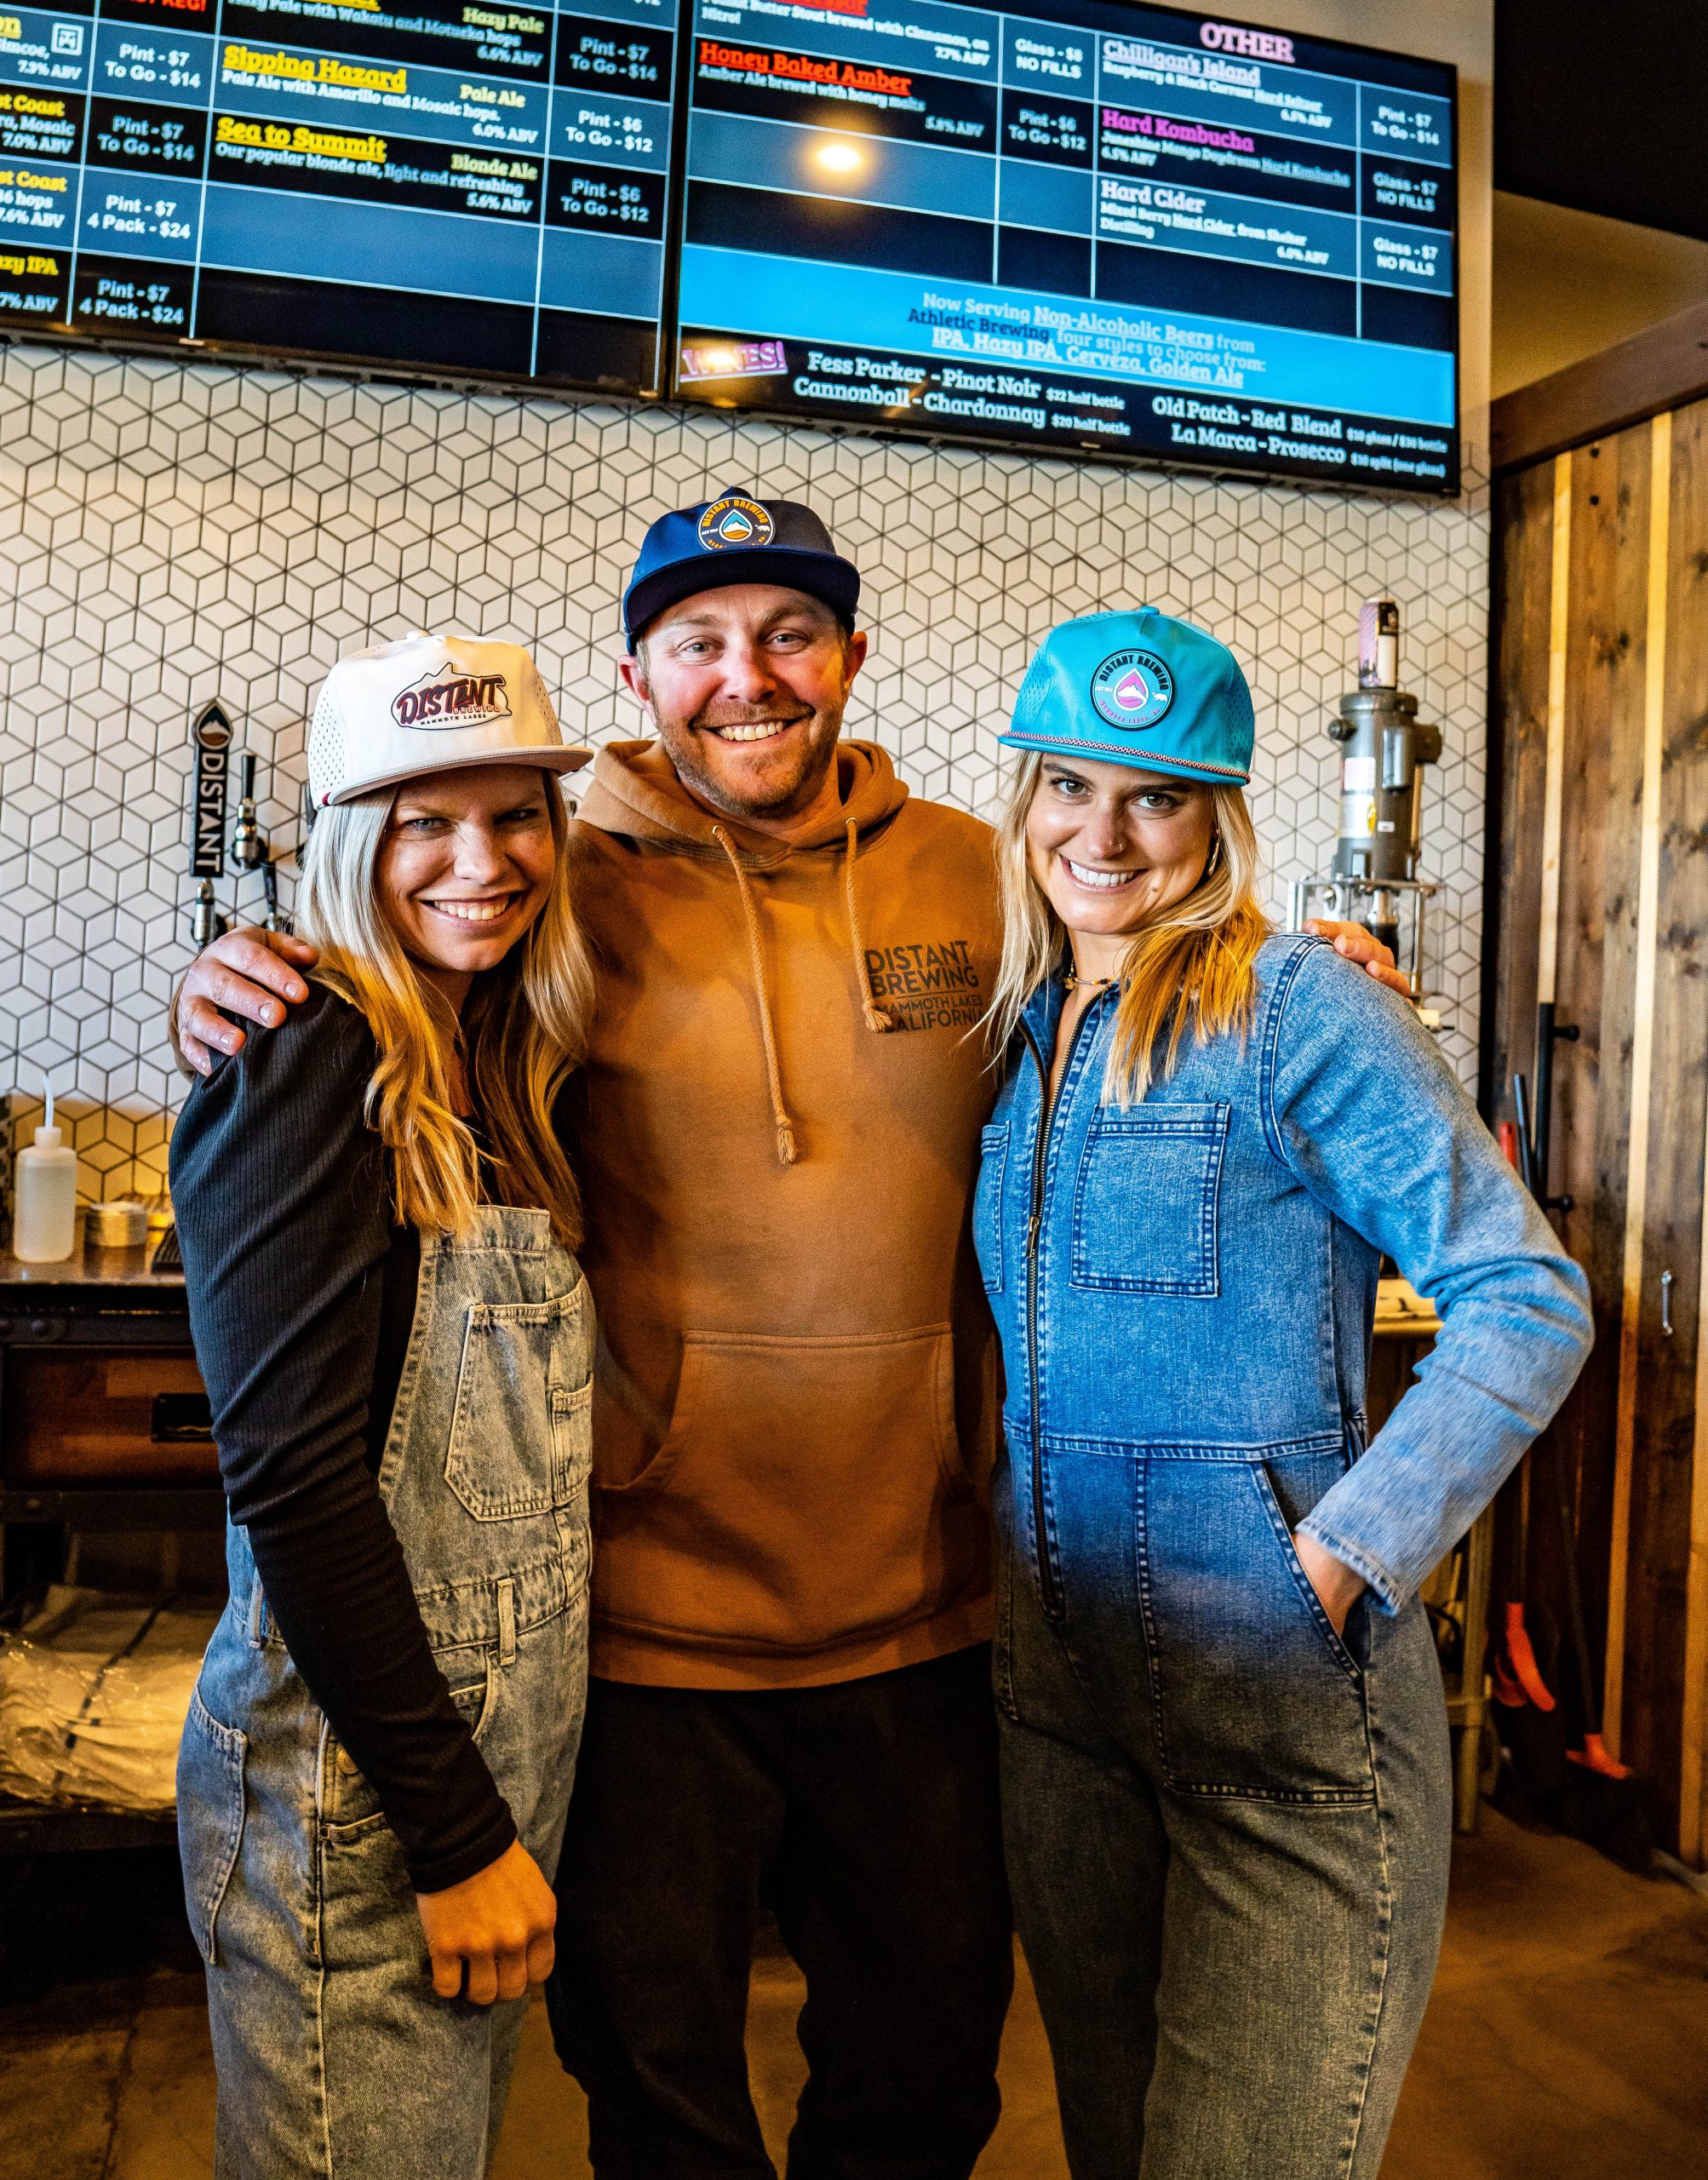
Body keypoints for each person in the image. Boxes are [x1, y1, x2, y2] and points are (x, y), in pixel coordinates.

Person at [172, 497, 1406, 2177]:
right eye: (697, 641)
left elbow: (1141, 948)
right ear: (638, 673)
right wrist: (253, 973)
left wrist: (1301, 958)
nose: (743, 677)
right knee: (663, 2095)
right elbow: (388, 961)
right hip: (640, 1630)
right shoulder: (554, 884)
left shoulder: (978, 872)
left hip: (923, 1615)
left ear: (851, 656)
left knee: (921, 2082)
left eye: (787, 633)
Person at [975, 609, 1594, 2179]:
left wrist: (1328, 1564)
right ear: (1025, 801)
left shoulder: (1301, 1007)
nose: (1103, 834)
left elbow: (1525, 1297)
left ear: (1219, 820)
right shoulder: (1015, 1034)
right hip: (1060, 1712)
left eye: (1158, 795)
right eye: (1070, 786)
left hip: (1283, 1715)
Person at [169, 634, 597, 2180]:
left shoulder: (502, 1056)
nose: (480, 862)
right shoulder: (303, 1055)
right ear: (348, 843)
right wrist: (454, 1829)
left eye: (514, 816)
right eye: (424, 822)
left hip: (478, 1770)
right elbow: (292, 1489)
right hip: (355, 1808)